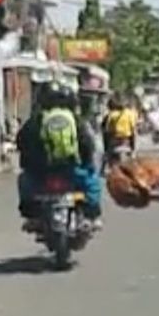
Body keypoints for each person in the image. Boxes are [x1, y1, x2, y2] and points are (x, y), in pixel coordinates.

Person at [17, 82, 102, 231]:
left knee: (24, 181)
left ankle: (33, 218)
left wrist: (30, 161)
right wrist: (88, 163)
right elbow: (89, 144)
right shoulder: (76, 120)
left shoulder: (34, 121)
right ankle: (91, 217)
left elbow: (21, 142)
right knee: (93, 182)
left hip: (41, 172)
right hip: (73, 168)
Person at [101, 94, 137, 174]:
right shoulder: (130, 114)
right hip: (126, 142)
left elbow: (107, 132)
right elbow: (134, 132)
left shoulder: (111, 115)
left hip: (114, 143)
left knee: (109, 160)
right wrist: (133, 148)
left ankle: (103, 168)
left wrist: (106, 150)